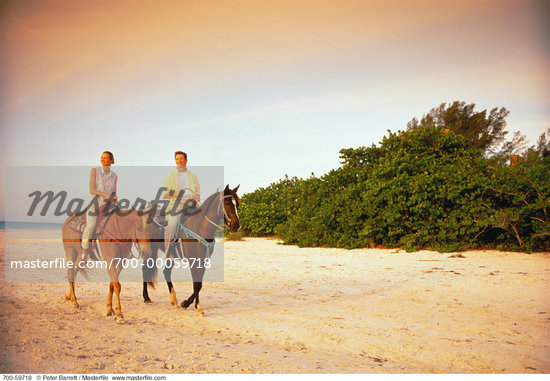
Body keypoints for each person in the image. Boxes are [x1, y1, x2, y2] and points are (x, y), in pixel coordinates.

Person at [81, 151, 118, 260]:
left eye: (106, 158)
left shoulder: (114, 176)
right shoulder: (95, 171)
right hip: (95, 201)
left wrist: (115, 198)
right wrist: (105, 194)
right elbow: (92, 190)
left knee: (119, 221)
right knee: (91, 225)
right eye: (102, 158)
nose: (103, 159)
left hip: (108, 203)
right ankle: (85, 249)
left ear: (111, 160)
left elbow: (114, 191)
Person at [163, 151, 200, 254]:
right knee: (172, 224)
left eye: (181, 159)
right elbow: (164, 194)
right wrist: (176, 193)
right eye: (177, 159)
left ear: (186, 160)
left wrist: (196, 196)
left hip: (191, 203)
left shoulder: (193, 176)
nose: (179, 161)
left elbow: (197, 192)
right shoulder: (170, 176)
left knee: (203, 218)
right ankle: (168, 253)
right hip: (176, 203)